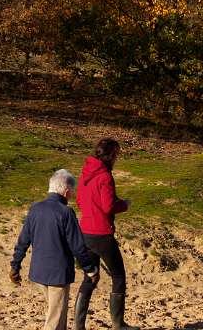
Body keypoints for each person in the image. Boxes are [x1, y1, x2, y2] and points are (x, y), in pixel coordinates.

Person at [11, 169, 98, 330]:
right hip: (58, 275)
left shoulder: (35, 209)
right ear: (66, 191)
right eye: (71, 192)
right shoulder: (66, 212)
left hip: (38, 273)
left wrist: (15, 265)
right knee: (54, 320)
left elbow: (23, 240)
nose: (71, 196)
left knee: (58, 315)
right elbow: (77, 246)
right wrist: (90, 269)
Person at [75, 139, 137, 330]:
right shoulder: (105, 177)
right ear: (110, 155)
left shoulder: (86, 172)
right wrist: (124, 204)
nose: (117, 158)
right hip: (101, 233)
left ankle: (79, 325)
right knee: (118, 276)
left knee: (90, 277)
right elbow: (108, 206)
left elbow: (79, 200)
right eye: (116, 155)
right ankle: (118, 324)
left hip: (85, 231)